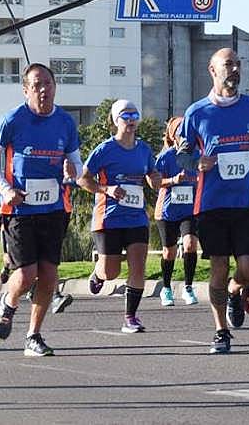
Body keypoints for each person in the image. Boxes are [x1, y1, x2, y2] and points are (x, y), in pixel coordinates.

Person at [180, 48, 249, 354]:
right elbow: (182, 155)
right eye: (228, 65)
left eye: (238, 64)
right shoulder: (196, 112)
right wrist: (197, 161)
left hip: (246, 202)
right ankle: (221, 330)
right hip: (211, 204)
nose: (234, 69)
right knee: (219, 267)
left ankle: (237, 290)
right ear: (213, 71)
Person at [0, 62, 82, 358]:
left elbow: (77, 165)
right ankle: (9, 303)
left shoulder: (65, 122)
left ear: (55, 87)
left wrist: (71, 170)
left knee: (49, 275)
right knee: (27, 274)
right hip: (20, 209)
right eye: (36, 86)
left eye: (47, 84)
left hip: (54, 208)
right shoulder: (12, 119)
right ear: (26, 90)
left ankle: (33, 336)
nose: (43, 90)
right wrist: (6, 189)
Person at [80, 99, 160, 333]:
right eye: (126, 116)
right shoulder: (105, 150)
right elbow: (83, 179)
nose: (132, 120)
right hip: (108, 217)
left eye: (135, 115)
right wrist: (107, 189)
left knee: (138, 267)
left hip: (136, 217)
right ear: (116, 121)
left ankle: (131, 317)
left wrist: (154, 179)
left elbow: (151, 172)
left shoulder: (144, 149)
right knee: (110, 271)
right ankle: (98, 273)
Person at [153, 116, 200, 306]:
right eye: (180, 133)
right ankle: (166, 288)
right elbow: (154, 182)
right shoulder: (165, 157)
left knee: (190, 244)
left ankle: (188, 287)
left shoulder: (198, 155)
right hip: (167, 211)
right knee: (169, 251)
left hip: (189, 210)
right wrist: (173, 180)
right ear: (174, 136)